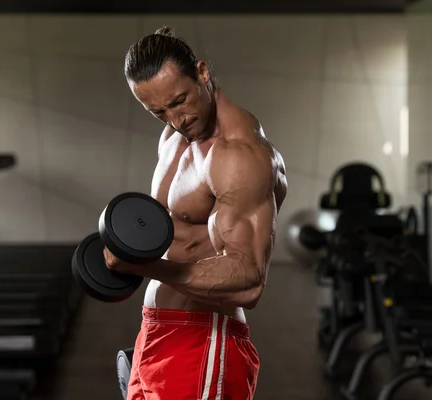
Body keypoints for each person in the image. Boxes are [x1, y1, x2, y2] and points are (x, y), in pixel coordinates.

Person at [104, 26, 288, 400]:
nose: (175, 119)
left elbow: (249, 279)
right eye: (157, 111)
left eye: (179, 100)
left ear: (202, 72)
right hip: (157, 331)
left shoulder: (238, 154)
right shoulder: (174, 137)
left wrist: (144, 267)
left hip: (204, 343)